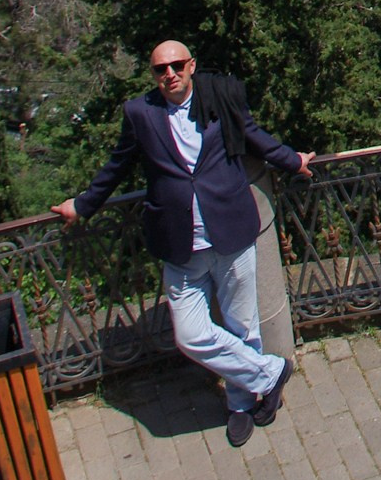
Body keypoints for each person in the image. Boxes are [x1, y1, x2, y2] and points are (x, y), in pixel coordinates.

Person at [55, 41, 316, 446]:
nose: (170, 74)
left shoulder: (217, 100)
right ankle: (271, 372)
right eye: (161, 69)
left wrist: (292, 161)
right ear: (153, 74)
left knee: (241, 325)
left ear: (192, 65)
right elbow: (117, 165)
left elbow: (252, 136)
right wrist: (83, 205)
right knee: (191, 335)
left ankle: (241, 405)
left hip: (230, 233)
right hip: (181, 246)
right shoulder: (141, 114)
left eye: (177, 65)